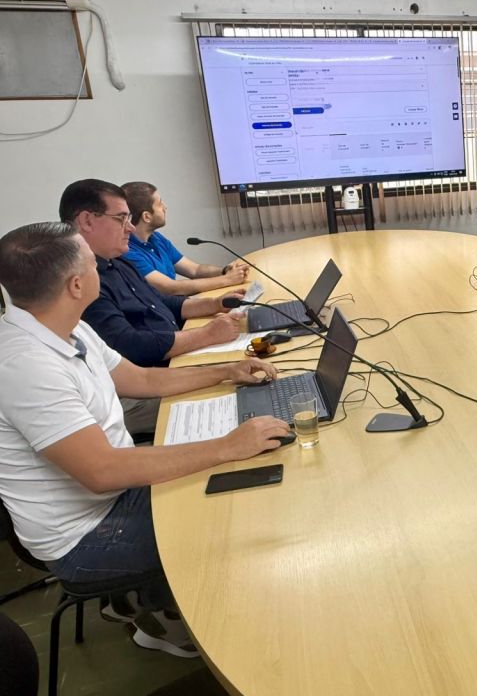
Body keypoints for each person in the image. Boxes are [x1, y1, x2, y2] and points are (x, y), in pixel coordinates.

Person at [0, 221, 289, 657]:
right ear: (76, 284)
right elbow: (102, 471)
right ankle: (187, 624)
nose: (102, 268)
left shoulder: (68, 326)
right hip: (86, 535)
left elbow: (142, 380)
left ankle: (151, 601)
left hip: (117, 492)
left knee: (244, 476)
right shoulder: (26, 365)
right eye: (91, 263)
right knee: (239, 518)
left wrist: (228, 371)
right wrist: (227, 446)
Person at [59, 179, 245, 434]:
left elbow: (159, 302)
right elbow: (132, 348)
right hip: (143, 386)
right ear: (87, 221)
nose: (130, 227)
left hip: (167, 365)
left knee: (246, 371)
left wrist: (214, 304)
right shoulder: (84, 282)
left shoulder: (118, 261)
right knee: (236, 396)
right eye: (121, 219)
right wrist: (206, 335)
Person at [121, 181, 249, 296]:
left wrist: (225, 271)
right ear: (147, 217)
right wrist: (227, 280)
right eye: (160, 204)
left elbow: (195, 270)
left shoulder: (156, 238)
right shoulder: (127, 251)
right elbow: (171, 288)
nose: (165, 207)